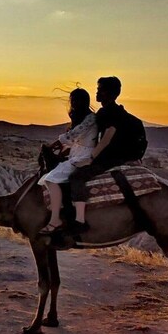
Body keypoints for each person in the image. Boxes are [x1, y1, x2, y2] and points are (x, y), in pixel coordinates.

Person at [68, 76, 136, 233]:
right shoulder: (105, 111)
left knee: (76, 177)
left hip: (110, 158)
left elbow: (106, 138)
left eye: (100, 89)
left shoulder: (112, 113)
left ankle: (79, 221)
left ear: (109, 93)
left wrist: (90, 159)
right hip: (105, 155)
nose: (97, 92)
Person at [38, 88, 98, 235]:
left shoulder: (90, 119)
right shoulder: (85, 118)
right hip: (77, 153)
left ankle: (55, 220)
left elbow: (72, 135)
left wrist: (52, 146)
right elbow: (74, 140)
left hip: (83, 155)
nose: (73, 103)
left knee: (51, 180)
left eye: (74, 100)